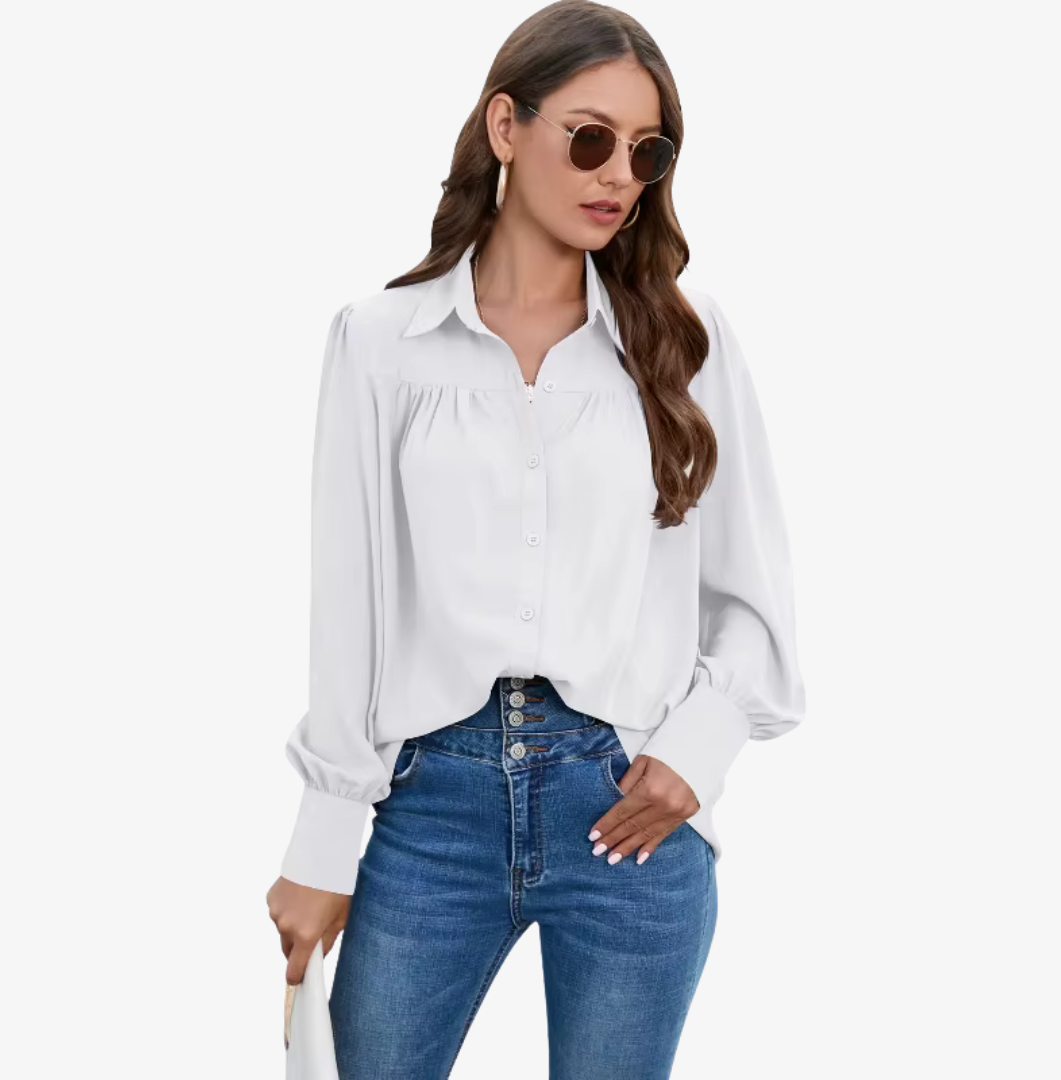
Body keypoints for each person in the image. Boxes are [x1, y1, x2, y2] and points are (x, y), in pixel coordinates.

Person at [266, 2, 805, 1076]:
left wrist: (697, 752)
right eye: (591, 138)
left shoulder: (683, 339)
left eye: (647, 152)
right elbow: (348, 606)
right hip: (431, 808)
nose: (619, 176)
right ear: (505, 126)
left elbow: (754, 599)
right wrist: (323, 837)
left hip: (627, 808)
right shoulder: (381, 343)